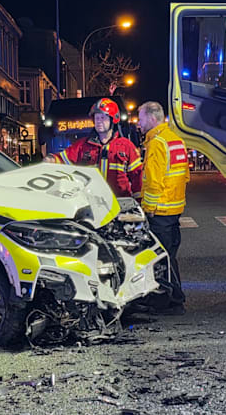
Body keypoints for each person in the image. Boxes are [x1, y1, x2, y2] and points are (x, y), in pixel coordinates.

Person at [136, 101, 189, 316]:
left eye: (140, 118)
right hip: (174, 207)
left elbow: (154, 181)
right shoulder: (174, 139)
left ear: (152, 118)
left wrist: (147, 208)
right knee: (169, 255)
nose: (138, 123)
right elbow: (184, 175)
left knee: (161, 257)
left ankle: (173, 300)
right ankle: (167, 299)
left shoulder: (157, 143)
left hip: (159, 210)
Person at [44, 98, 142, 198]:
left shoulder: (126, 146)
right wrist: (51, 159)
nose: (99, 121)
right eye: (97, 118)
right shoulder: (83, 145)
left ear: (113, 120)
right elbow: (61, 159)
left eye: (103, 118)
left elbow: (138, 177)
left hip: (120, 203)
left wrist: (138, 202)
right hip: (92, 203)